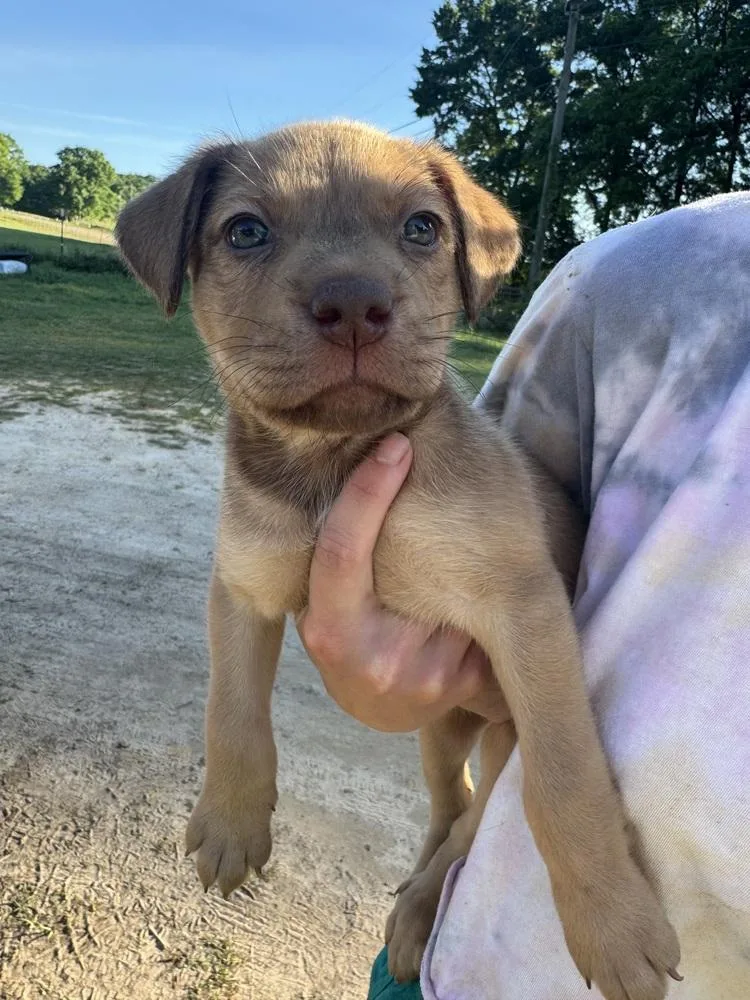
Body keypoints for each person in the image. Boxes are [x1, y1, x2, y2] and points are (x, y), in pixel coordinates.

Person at [299, 191, 750, 1000]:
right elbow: (490, 642)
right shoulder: (648, 276)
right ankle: (449, 836)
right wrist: (448, 829)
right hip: (504, 953)